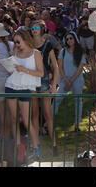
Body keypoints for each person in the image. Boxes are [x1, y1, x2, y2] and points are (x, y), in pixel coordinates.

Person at [5, 29, 43, 161]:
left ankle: (36, 148)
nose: (16, 44)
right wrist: (10, 68)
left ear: (25, 39)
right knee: (14, 119)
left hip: (26, 88)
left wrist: (24, 70)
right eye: (14, 42)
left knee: (27, 120)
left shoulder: (36, 53)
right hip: (11, 86)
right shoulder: (15, 52)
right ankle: (18, 149)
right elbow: (11, 72)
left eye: (18, 41)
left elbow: (41, 73)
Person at [29, 20, 59, 155]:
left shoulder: (47, 45)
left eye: (36, 27)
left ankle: (54, 145)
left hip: (44, 81)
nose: (33, 29)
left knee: (47, 114)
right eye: (32, 27)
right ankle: (36, 146)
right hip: (31, 79)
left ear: (42, 29)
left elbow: (56, 67)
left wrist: (54, 85)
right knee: (34, 114)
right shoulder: (28, 44)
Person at [54, 31, 86, 132]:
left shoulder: (81, 51)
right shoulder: (62, 51)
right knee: (56, 100)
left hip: (77, 80)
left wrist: (71, 81)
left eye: (71, 38)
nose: (69, 40)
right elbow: (60, 67)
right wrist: (66, 80)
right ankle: (48, 123)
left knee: (78, 102)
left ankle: (77, 125)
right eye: (67, 39)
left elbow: (80, 68)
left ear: (75, 39)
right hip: (65, 79)